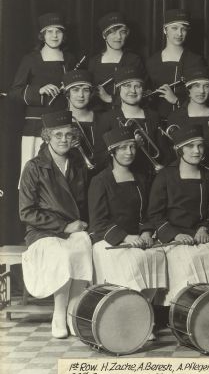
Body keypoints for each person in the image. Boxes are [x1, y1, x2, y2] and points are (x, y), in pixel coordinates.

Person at [87, 126, 167, 337]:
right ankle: (125, 318)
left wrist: (147, 232)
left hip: (138, 237)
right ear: (112, 152)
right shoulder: (100, 181)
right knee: (130, 262)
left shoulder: (141, 178)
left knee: (157, 255)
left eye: (132, 147)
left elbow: (148, 214)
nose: (129, 152)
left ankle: (143, 313)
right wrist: (125, 237)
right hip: (108, 240)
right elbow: (98, 221)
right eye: (122, 148)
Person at [19, 110, 92, 339]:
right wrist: (64, 227)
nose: (64, 140)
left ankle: (72, 311)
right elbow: (26, 212)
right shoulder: (33, 167)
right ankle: (59, 314)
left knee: (83, 246)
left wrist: (82, 226)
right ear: (47, 137)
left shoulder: (79, 165)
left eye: (68, 135)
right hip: (43, 232)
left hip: (74, 229)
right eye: (58, 135)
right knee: (61, 254)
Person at [147, 124, 209, 306]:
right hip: (173, 237)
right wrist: (175, 234)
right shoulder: (165, 176)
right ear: (178, 149)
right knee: (187, 259)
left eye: (200, 146)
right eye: (190, 146)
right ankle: (182, 309)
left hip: (201, 235)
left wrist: (204, 228)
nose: (196, 151)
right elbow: (155, 214)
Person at [10, 13, 77, 176]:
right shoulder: (30, 59)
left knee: (60, 176)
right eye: (49, 31)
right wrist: (38, 90)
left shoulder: (70, 59)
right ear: (42, 35)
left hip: (62, 126)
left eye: (58, 31)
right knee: (34, 175)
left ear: (64, 35)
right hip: (35, 127)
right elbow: (14, 92)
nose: (54, 35)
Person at [98, 66, 164, 178]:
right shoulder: (107, 118)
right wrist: (131, 145)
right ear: (119, 89)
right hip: (120, 179)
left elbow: (164, 152)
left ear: (142, 89)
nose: (133, 91)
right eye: (127, 85)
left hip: (152, 177)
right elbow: (99, 157)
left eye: (137, 86)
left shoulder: (154, 116)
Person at [146, 9, 205, 122]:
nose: (179, 33)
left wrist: (176, 100)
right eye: (174, 28)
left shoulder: (196, 60)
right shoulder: (151, 62)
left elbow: (202, 96)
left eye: (183, 29)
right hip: (156, 122)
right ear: (165, 30)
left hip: (186, 121)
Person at [165, 67, 209, 169]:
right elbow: (173, 154)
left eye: (206, 86)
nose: (202, 91)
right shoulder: (175, 117)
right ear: (188, 89)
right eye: (197, 86)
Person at [87, 11, 144, 111]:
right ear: (104, 35)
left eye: (122, 32)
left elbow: (143, 93)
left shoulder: (134, 60)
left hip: (125, 114)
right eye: (113, 32)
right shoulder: (93, 62)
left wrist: (110, 99)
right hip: (98, 115)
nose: (118, 37)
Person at [62, 70, 106, 173]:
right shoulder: (59, 120)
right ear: (67, 94)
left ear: (91, 93)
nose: (81, 95)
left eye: (85, 90)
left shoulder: (103, 118)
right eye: (75, 90)